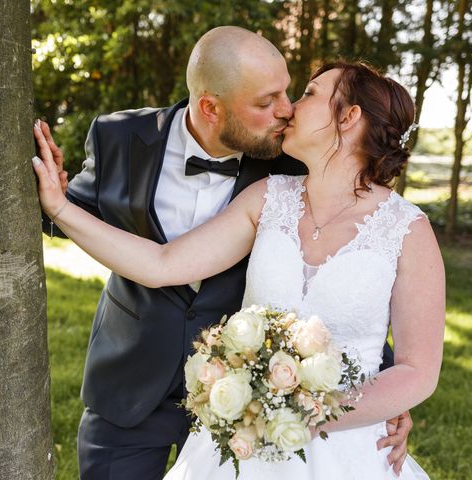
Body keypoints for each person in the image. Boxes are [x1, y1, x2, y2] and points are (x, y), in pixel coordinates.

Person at [35, 27, 415, 479]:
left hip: (252, 400)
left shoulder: (293, 162)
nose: (286, 109)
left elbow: (344, 278)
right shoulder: (121, 137)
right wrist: (55, 202)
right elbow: (103, 230)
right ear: (211, 107)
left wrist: (384, 389)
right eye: (265, 100)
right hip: (131, 380)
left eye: (293, 92)